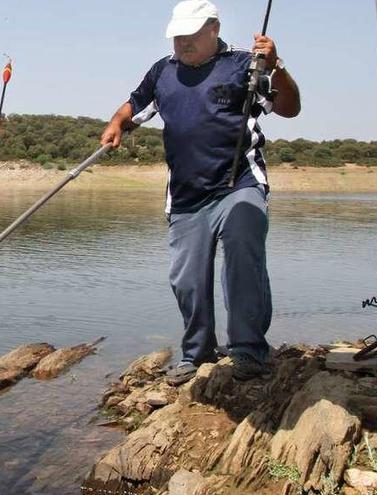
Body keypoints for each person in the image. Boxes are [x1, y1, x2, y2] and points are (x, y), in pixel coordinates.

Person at [100, 0, 301, 385]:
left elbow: (289, 108)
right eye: (177, 37)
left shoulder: (246, 64)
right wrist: (117, 123)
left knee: (243, 255)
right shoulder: (163, 71)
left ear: (213, 30)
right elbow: (135, 105)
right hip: (187, 194)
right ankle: (197, 353)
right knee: (187, 279)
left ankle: (248, 351)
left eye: (190, 36)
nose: (182, 44)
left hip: (239, 183)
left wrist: (277, 66)